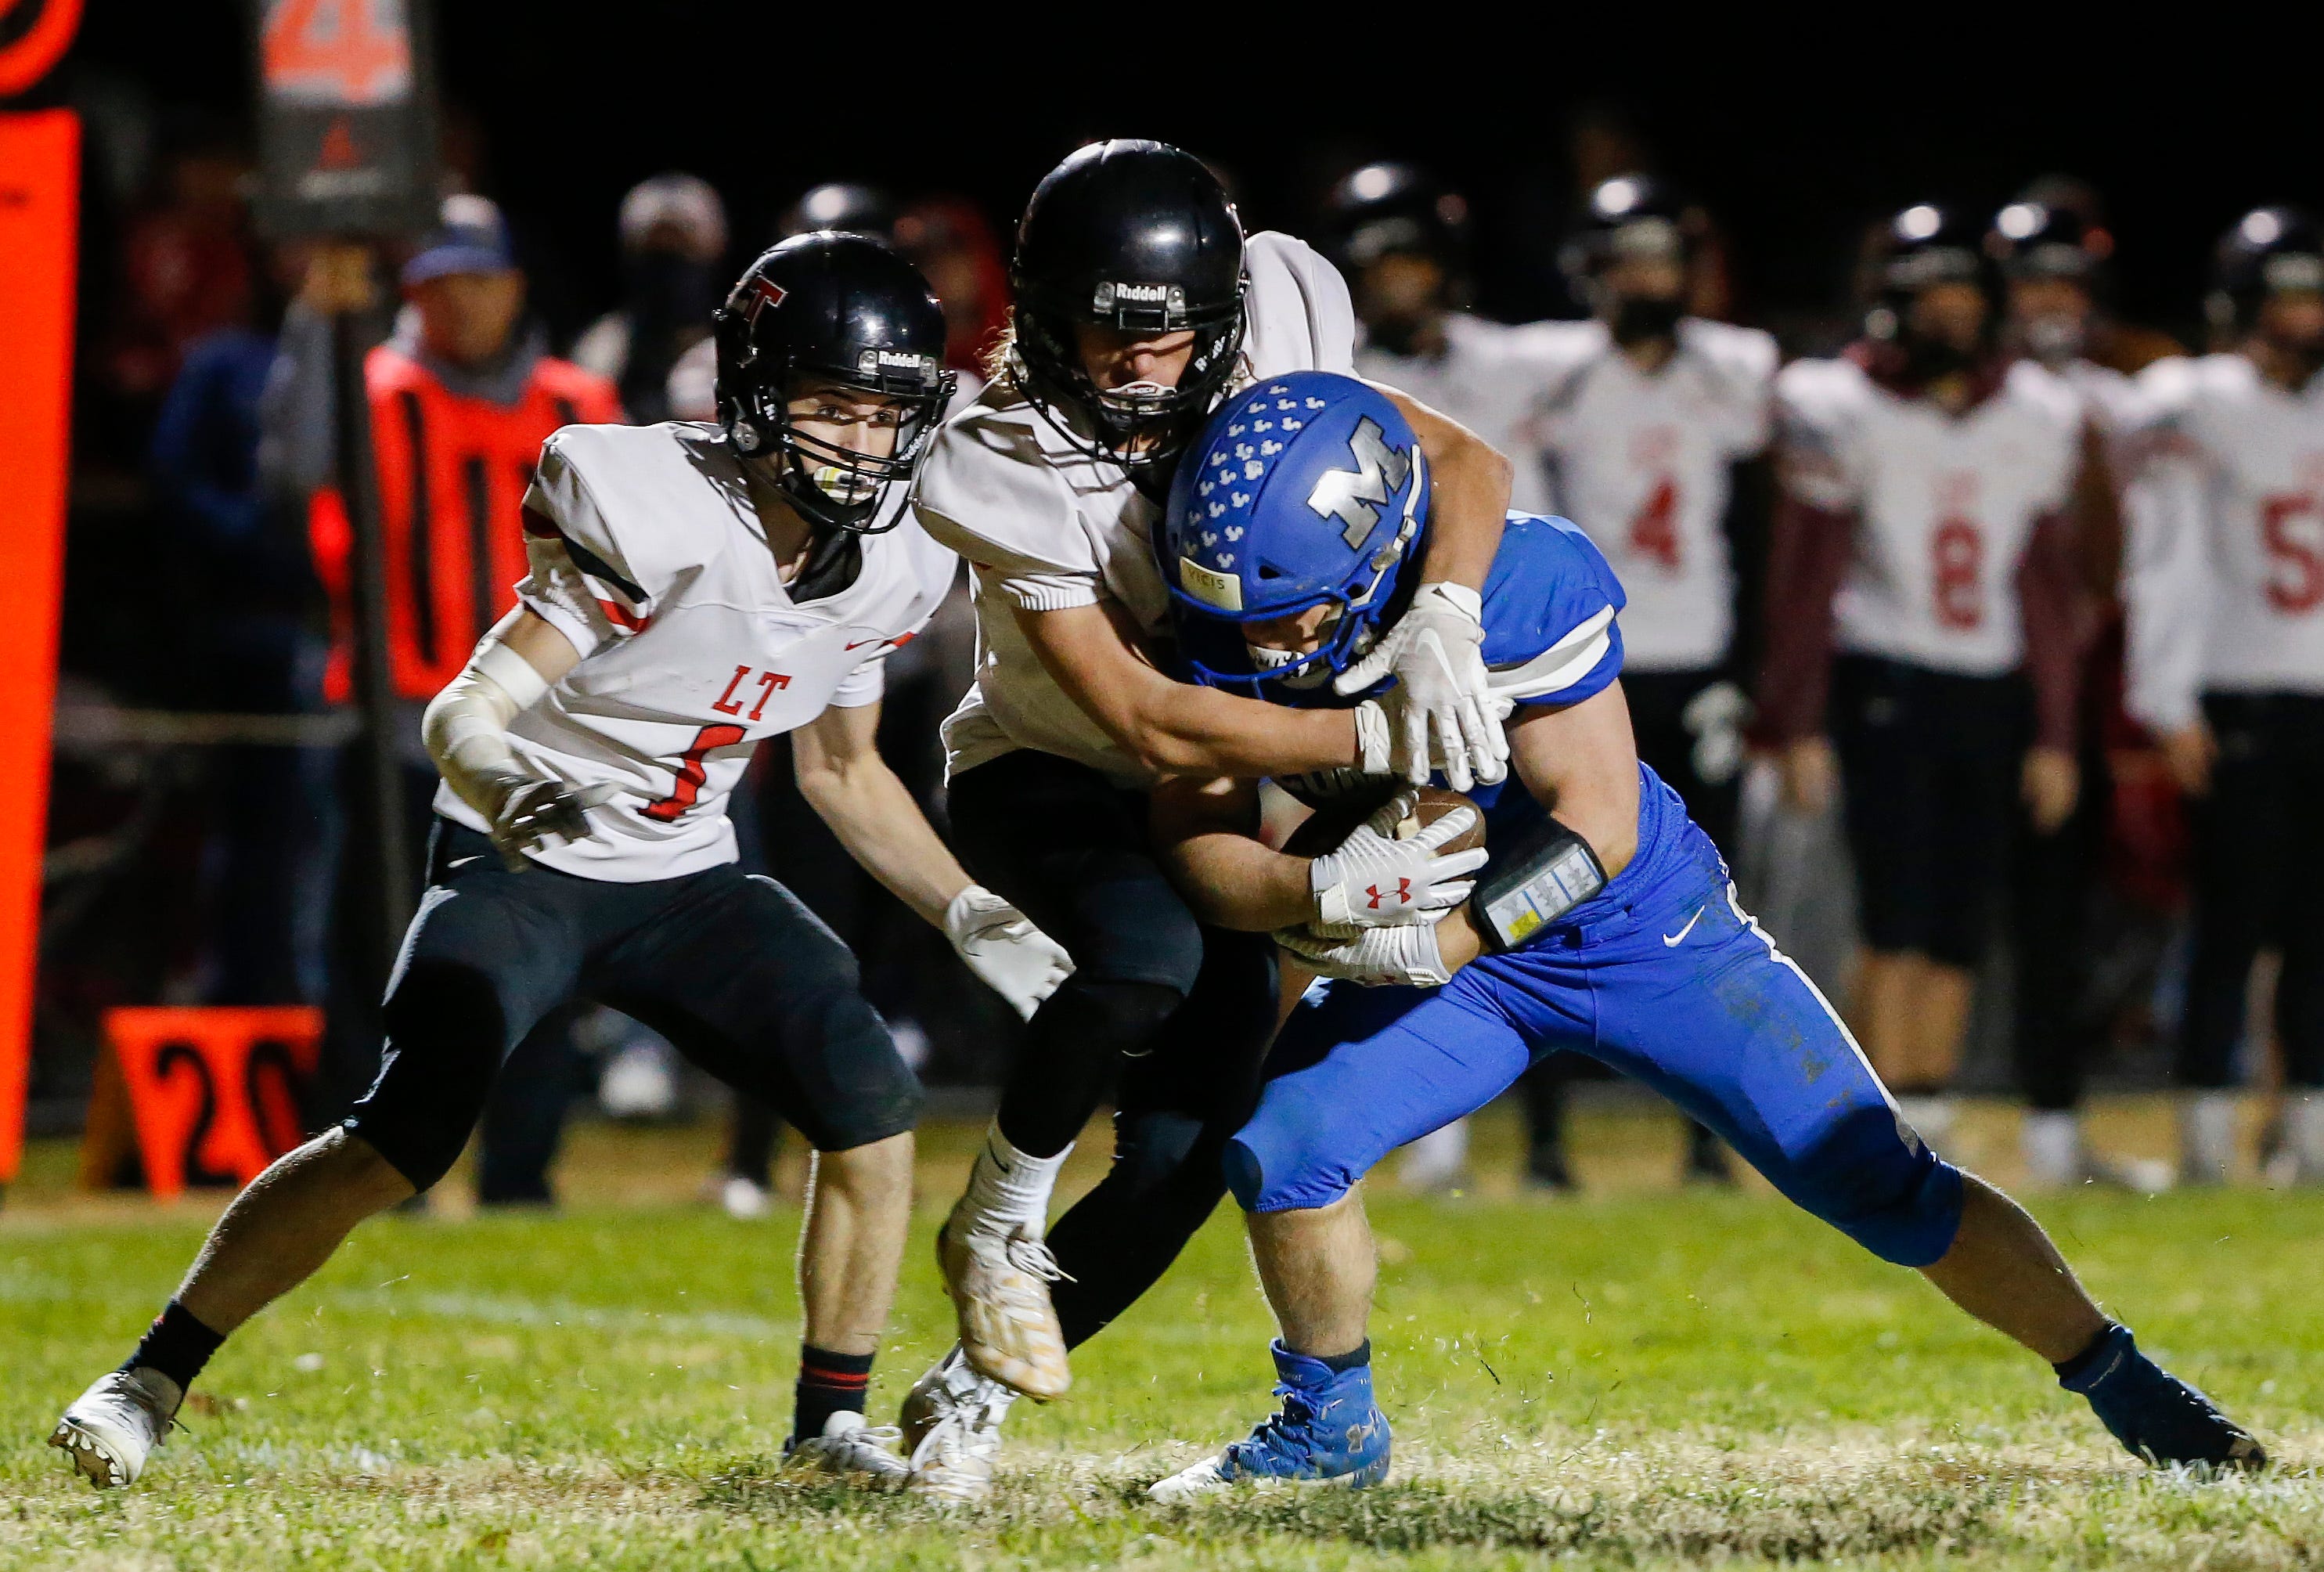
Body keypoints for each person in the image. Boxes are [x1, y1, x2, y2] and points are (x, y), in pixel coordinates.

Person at [47, 233, 1069, 1494]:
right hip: (527, 851)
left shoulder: (905, 553)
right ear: (753, 396)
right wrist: (504, 783)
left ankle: (825, 1430)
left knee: (869, 1106)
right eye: (828, 408)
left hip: (688, 873)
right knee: (398, 1139)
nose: (860, 443)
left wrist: (971, 912)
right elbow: (462, 713)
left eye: (884, 415)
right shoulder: (652, 500)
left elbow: (845, 771)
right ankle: (151, 1373)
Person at [1137, 371, 2264, 1496]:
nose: (1256, 638)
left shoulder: (1522, 579)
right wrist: (1318, 894)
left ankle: (2119, 1376)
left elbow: (1598, 832)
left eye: (1285, 605)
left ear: (1380, 556)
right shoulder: (1214, 626)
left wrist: (1440, 946)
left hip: (1637, 929)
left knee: (1879, 1182)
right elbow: (1202, 859)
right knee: (1281, 1149)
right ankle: (1328, 1433)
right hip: (1446, 943)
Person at [893, 139, 1516, 1502]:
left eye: (1156, 335)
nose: (1123, 366)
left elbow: (1461, 460)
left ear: (1220, 313)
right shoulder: (996, 455)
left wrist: (1445, 621)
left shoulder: (1288, 299)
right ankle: (994, 1217)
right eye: (1090, 333)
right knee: (1143, 962)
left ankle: (970, 1394)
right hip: (1054, 766)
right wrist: (1373, 732)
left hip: (1227, 768)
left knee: (1186, 1148)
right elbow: (1145, 719)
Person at [266, 195, 626, 1206]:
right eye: (436, 285)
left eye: (476, 279)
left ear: (513, 286)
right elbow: (291, 468)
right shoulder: (373, 385)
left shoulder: (578, 401)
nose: (458, 304)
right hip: (396, 724)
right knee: (374, 963)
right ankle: (370, 1174)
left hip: (544, 732)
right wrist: (316, 317)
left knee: (543, 961)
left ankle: (523, 1173)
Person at [1756, 204, 2085, 1146]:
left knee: (1956, 913)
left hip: (1986, 681)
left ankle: (1927, 1105)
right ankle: (1873, 1109)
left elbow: (2044, 587)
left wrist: (2056, 731)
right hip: (1882, 671)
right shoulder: (1834, 400)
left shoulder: (2036, 412)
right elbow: (1806, 577)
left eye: (1959, 291)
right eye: (1928, 292)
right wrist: (1797, 717)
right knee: (1892, 906)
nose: (1947, 312)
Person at [1514, 171, 1781, 1188]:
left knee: (1705, 905)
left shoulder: (1734, 372)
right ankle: (1546, 1141)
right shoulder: (1552, 372)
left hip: (1697, 661)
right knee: (1551, 893)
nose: (1648, 277)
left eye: (1663, 256)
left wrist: (1748, 673)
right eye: (1629, 258)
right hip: (1585, 671)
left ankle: (1707, 1142)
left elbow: (1757, 530)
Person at [2122, 207, 2324, 1184]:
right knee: (2230, 923)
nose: (2306, 315)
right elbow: (2164, 559)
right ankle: (2205, 1129)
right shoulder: (2190, 398)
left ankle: (2310, 1134)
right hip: (2237, 691)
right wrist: (2166, 697)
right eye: (2288, 295)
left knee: (2317, 930)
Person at [1987, 195, 2174, 1192]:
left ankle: (2055, 1129)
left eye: (2064, 280)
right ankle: (1904, 1119)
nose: (2048, 301)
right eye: (2030, 281)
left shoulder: (2125, 397)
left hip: (2100, 681)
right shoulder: (1979, 394)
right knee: (1936, 915)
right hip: (1991, 675)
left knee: (2073, 912)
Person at [571, 172, 729, 425]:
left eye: (682, 247)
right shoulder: (602, 348)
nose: (668, 262)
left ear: (713, 249)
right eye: (655, 249)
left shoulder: (738, 343)